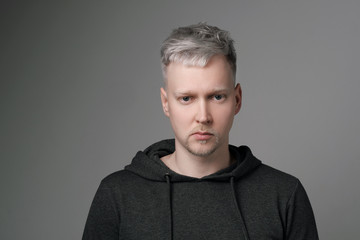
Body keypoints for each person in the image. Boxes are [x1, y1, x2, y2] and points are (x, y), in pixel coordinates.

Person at [82, 23, 319, 240]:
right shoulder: (117, 195)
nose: (203, 116)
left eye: (217, 97)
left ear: (237, 99)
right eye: (186, 98)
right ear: (166, 103)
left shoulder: (284, 195)